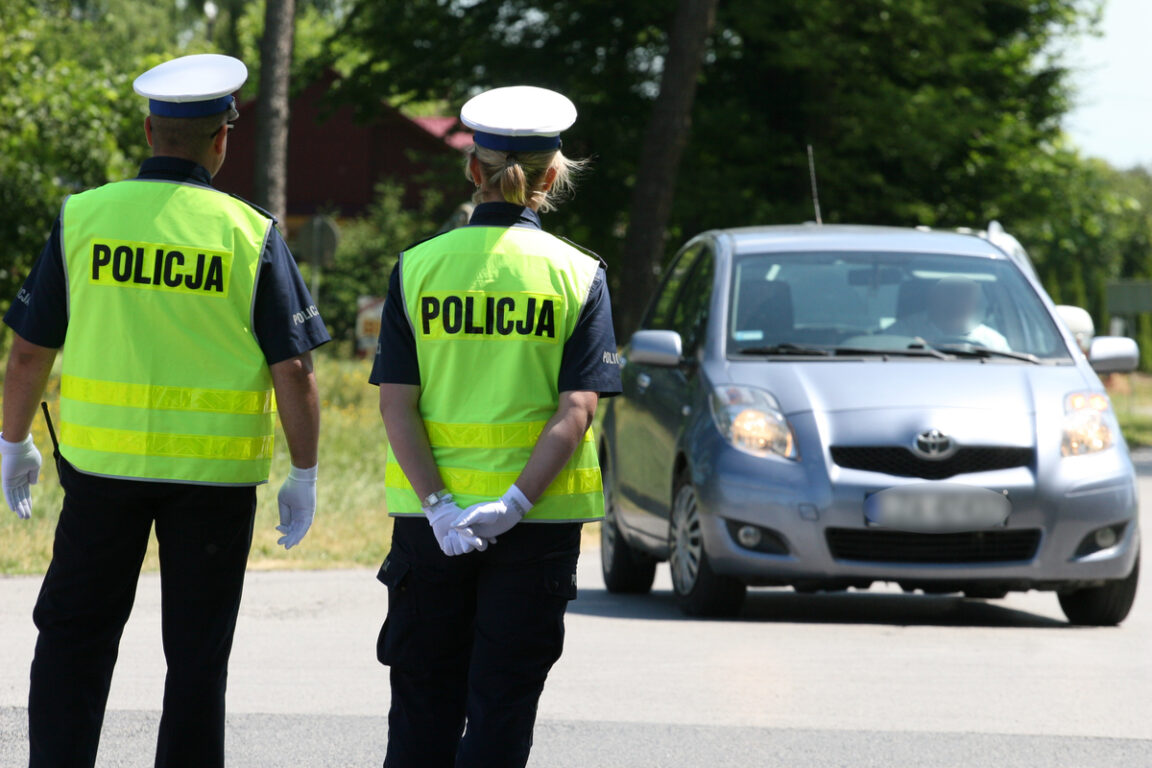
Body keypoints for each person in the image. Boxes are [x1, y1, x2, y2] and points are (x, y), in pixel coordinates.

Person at [0, 54, 330, 768]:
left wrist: (13, 441)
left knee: (74, 639)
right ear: (223, 139)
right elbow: (295, 370)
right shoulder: (251, 233)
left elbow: (29, 352)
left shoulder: (84, 217)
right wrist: (304, 472)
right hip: (211, 484)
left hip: (100, 473)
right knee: (197, 656)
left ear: (150, 130)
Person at [371, 85, 622, 767]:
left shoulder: (418, 268)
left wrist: (441, 507)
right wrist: (513, 504)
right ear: (552, 178)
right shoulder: (578, 274)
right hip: (535, 527)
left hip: (433, 530)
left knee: (422, 702)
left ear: (472, 171)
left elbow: (398, 404)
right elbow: (577, 410)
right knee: (502, 707)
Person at [888, 276, 1009, 350]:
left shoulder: (993, 343)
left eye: (966, 294)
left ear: (976, 300)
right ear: (933, 295)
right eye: (950, 293)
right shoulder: (902, 332)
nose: (957, 301)